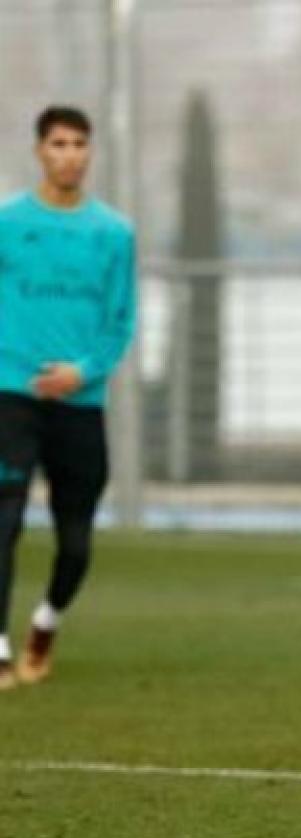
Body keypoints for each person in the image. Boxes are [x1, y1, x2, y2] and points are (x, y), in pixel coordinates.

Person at [0, 106, 136, 692]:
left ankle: (45, 624)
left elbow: (121, 321)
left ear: (90, 152)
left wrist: (79, 371)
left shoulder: (114, 233)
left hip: (80, 404)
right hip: (12, 395)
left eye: (80, 143)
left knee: (75, 540)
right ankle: (0, 651)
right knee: (3, 521)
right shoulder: (7, 222)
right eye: (59, 143)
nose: (70, 154)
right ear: (40, 150)